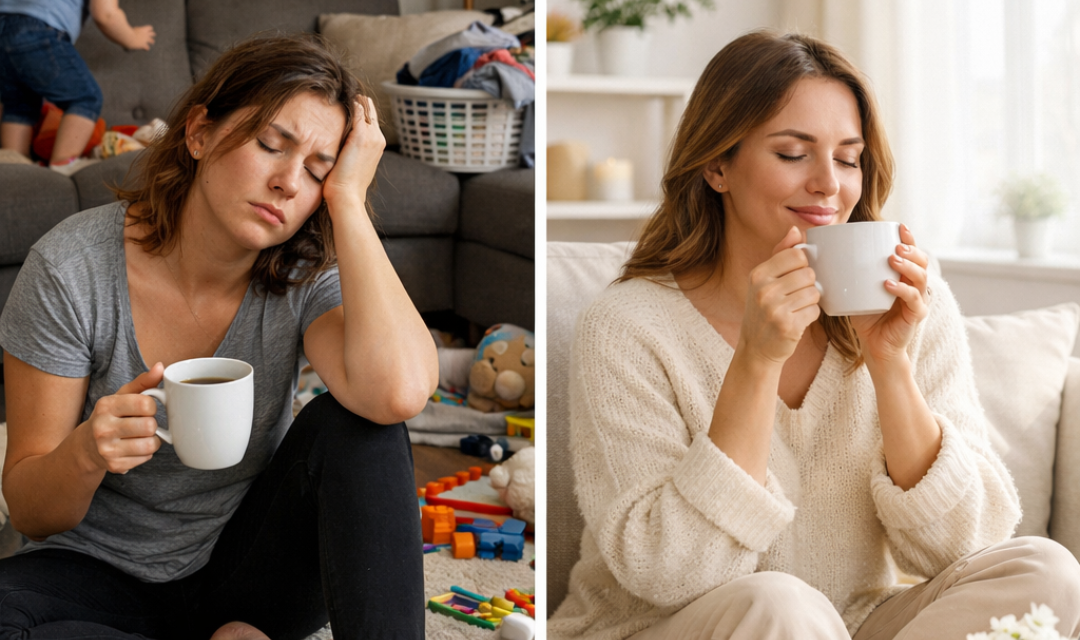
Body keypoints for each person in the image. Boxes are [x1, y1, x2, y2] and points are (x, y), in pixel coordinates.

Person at [548, 30, 1080, 640]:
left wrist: (890, 363)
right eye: (793, 153)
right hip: (672, 626)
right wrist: (755, 359)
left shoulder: (912, 305)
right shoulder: (627, 326)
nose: (830, 184)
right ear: (717, 165)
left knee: (1046, 570)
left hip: (854, 623)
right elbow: (669, 573)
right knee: (779, 606)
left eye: (848, 158)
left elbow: (966, 546)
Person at [0, 33, 436, 640]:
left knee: (359, 427)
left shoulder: (306, 269)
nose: (289, 182)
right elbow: (29, 509)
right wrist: (86, 452)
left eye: (316, 169)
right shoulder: (71, 269)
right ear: (199, 133)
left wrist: (349, 204)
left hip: (250, 572)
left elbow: (399, 394)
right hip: (94, 571)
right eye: (270, 146)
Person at [0, 0, 155, 174]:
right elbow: (106, 14)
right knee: (86, 98)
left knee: (19, 106)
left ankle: (16, 167)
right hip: (37, 30)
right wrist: (132, 37)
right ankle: (62, 166)